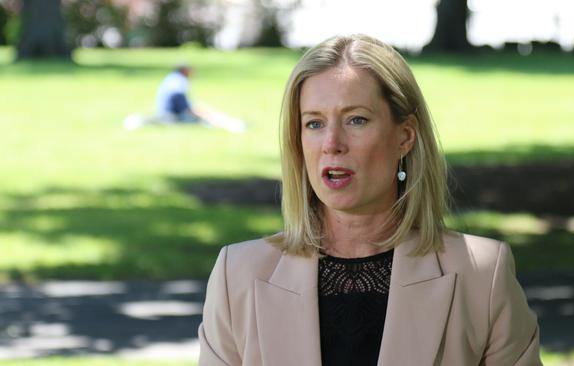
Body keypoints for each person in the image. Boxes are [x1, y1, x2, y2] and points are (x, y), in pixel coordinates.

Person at [198, 34, 542, 366]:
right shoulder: (237, 276)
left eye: (356, 120)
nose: (332, 143)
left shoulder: (481, 275)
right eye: (314, 123)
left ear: (404, 137)